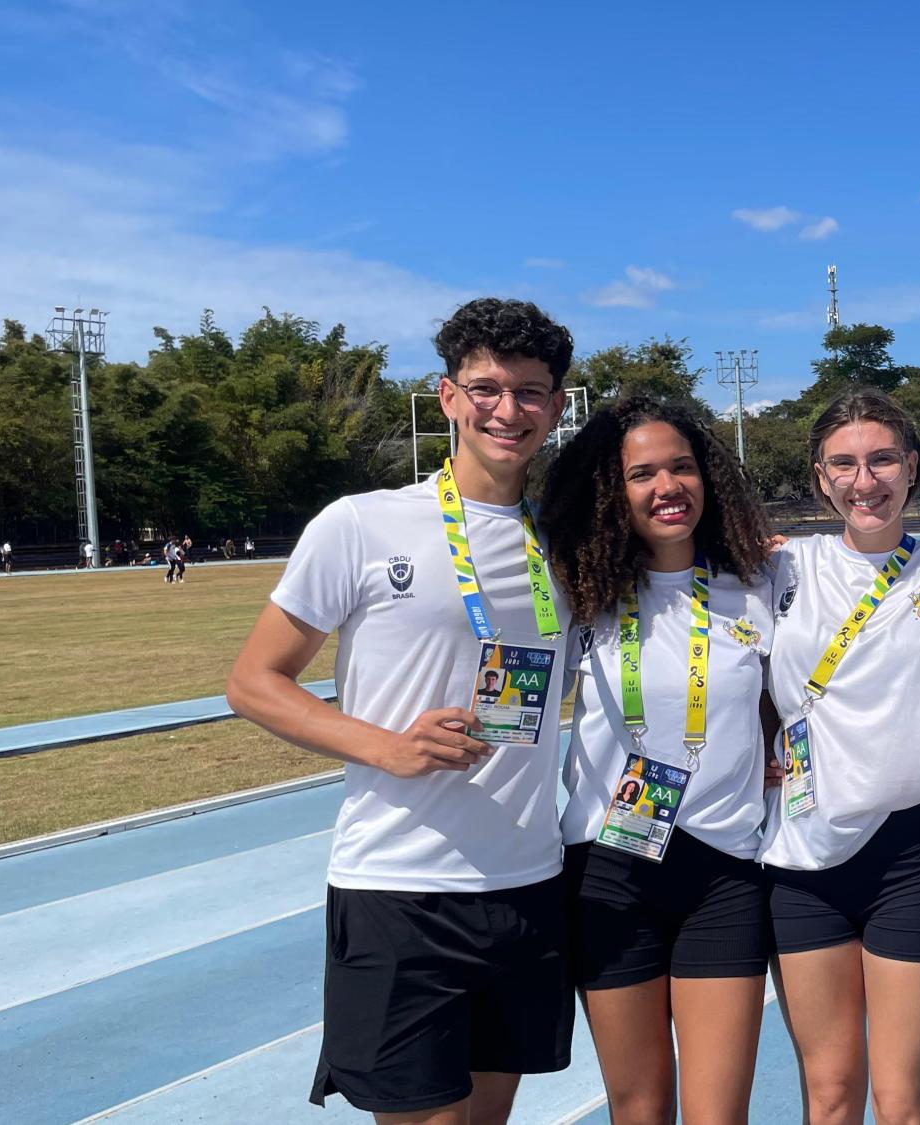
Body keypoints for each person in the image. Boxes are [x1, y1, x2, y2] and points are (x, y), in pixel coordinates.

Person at [226, 297, 578, 1124]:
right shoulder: (359, 524)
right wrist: (386, 746)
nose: (509, 410)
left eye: (531, 392)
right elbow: (253, 681)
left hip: (526, 882)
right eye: (487, 388)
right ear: (449, 396)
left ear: (557, 409)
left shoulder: (568, 539)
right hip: (399, 888)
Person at [540, 391, 777, 1125]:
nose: (666, 486)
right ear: (612, 490)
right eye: (641, 474)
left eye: (681, 467)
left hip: (724, 874)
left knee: (718, 1113)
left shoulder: (762, 582)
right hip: (609, 871)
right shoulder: (578, 588)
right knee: (639, 1108)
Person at [761, 388, 920, 1125]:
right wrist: (757, 745)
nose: (864, 480)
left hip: (909, 855)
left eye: (881, 459)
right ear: (821, 477)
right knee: (830, 1093)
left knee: (904, 1100)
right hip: (801, 860)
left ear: (911, 466)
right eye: (843, 464)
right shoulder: (780, 567)